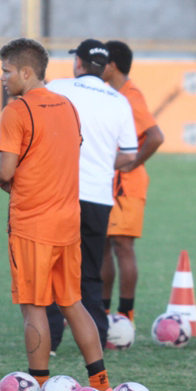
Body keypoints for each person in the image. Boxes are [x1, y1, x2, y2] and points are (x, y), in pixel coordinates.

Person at [0, 38, 111, 391]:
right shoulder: (67, 106)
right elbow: (55, 160)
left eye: (6, 71)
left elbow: (5, 171)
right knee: (71, 301)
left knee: (34, 306)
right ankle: (101, 382)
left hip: (32, 225)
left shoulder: (17, 111)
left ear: (25, 71)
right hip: (68, 221)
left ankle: (38, 387)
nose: (3, 78)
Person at [44, 39, 138, 352]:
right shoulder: (118, 101)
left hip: (61, 194)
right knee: (91, 274)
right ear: (105, 67)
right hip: (99, 198)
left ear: (79, 63)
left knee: (52, 270)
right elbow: (129, 154)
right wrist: (101, 165)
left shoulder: (59, 87)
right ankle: (96, 339)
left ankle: (51, 341)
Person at [99, 40, 164, 323]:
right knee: (101, 245)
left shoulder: (130, 95)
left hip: (126, 184)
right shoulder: (113, 93)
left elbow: (156, 136)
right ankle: (101, 311)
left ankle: (126, 314)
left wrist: (133, 163)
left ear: (111, 65)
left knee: (122, 246)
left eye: (102, 61)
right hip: (108, 182)